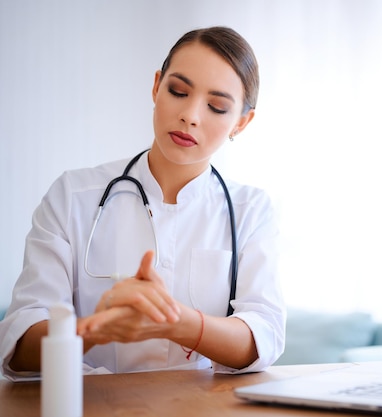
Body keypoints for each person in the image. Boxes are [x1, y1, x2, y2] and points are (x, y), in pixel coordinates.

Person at [0, 26, 285, 380]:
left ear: (241, 122)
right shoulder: (72, 196)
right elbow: (20, 342)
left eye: (216, 106)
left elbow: (263, 337)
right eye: (178, 91)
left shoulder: (251, 211)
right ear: (156, 86)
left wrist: (182, 324)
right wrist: (96, 329)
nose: (191, 115)